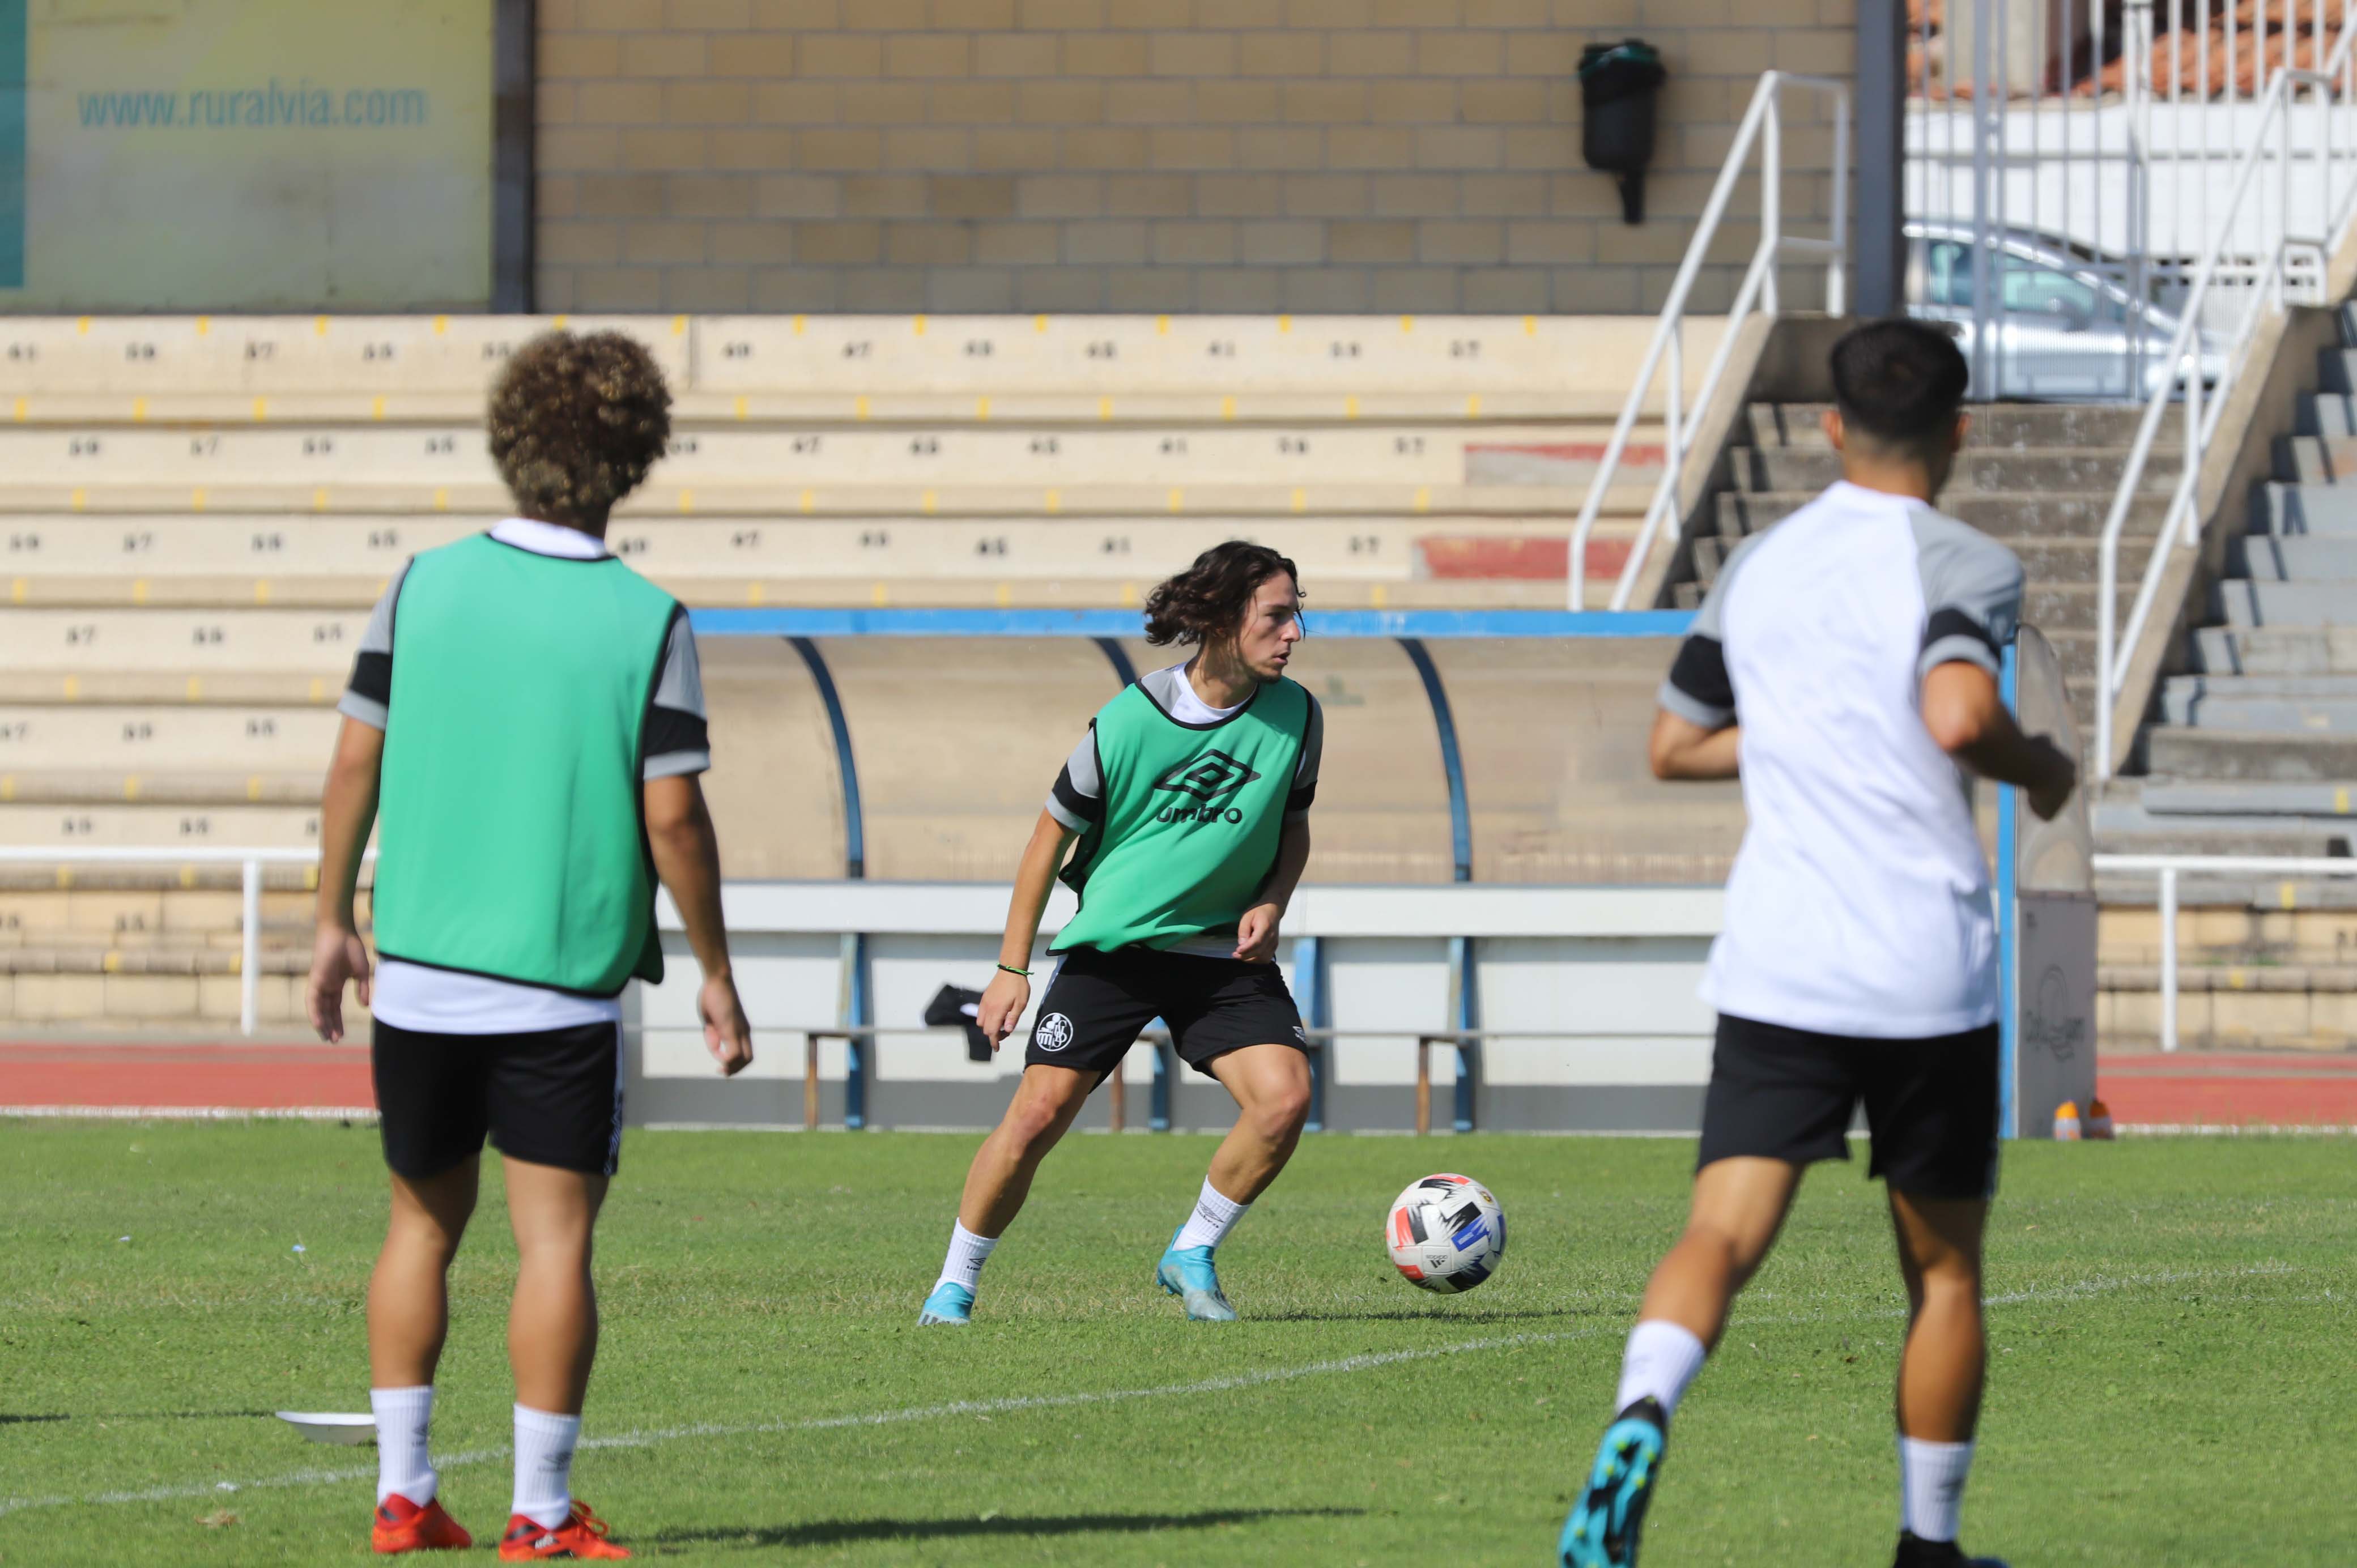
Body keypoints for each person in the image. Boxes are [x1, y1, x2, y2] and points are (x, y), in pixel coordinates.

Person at [1558, 319, 2077, 1568]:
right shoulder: (1967, 559)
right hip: (1919, 970)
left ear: (1830, 427)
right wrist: (2043, 766)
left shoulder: (1762, 564)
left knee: (1719, 1234)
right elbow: (1957, 712)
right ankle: (1928, 1544)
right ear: (1958, 431)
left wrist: (1805, 731)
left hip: (1779, 959)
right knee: (1943, 1275)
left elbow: (1673, 746)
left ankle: (1641, 1416)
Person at [307, 330, 754, 1561]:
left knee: (418, 1226)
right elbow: (672, 814)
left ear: (513, 443)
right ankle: (541, 1514)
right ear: (635, 455)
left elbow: (355, 758)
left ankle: (403, 1497)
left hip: (421, 979)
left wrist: (331, 920)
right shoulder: (646, 616)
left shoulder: (422, 582)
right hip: (556, 990)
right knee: (554, 1241)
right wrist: (714, 967)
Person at [918, 541, 1324, 1326]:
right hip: (1117, 951)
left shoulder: (1299, 715)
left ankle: (1193, 1251)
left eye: (1297, 613)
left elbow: (1295, 828)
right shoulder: (1128, 721)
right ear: (1220, 619)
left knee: (1285, 1100)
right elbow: (1047, 842)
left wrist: (1273, 900)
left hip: (1219, 953)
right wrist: (1011, 969)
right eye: (1277, 615)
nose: (1295, 632)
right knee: (1036, 1116)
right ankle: (954, 1286)